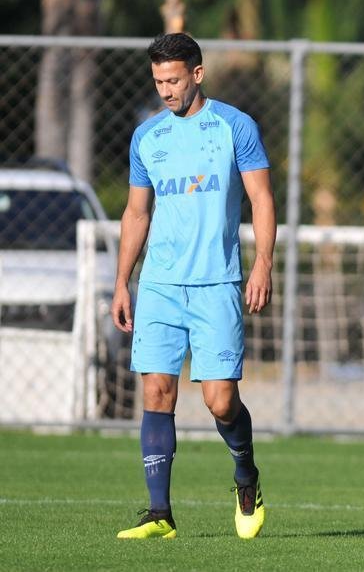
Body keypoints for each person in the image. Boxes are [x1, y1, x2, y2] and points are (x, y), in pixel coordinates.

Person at [111, 32, 276, 540]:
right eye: (158, 81)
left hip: (216, 283)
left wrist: (263, 263)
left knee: (220, 401)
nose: (165, 90)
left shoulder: (234, 127)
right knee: (157, 391)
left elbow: (262, 199)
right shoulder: (148, 137)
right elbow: (137, 213)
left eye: (174, 80)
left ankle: (246, 475)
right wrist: (121, 281)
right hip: (160, 284)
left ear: (197, 74)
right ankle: (159, 513)